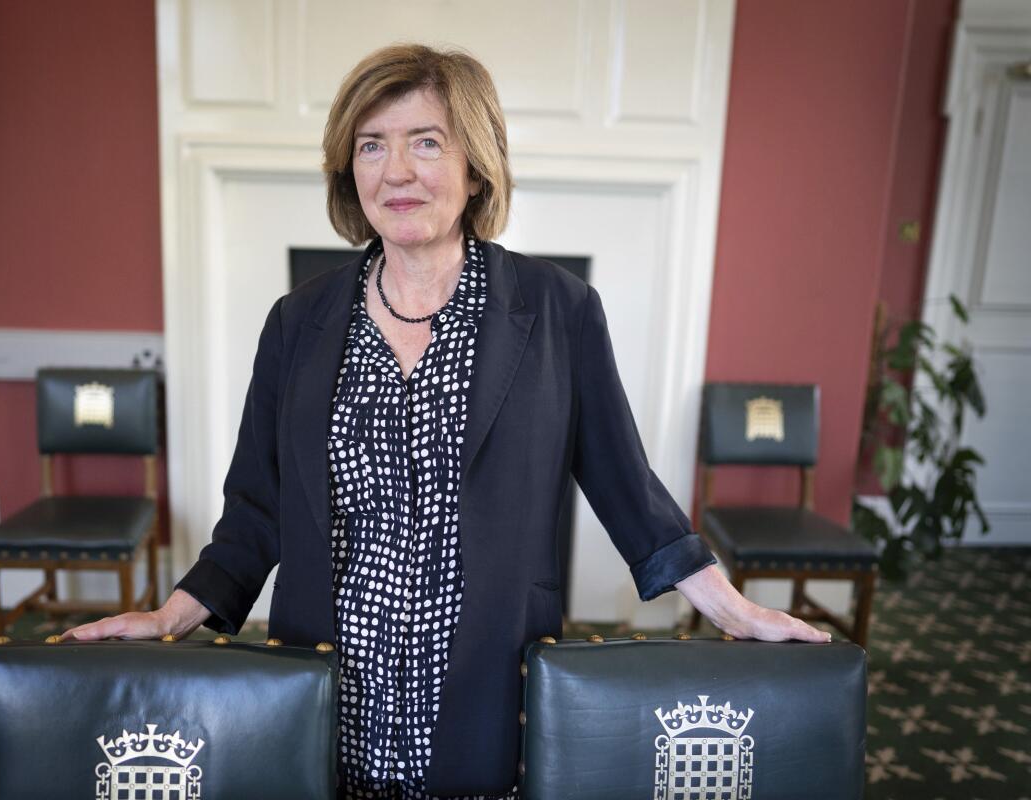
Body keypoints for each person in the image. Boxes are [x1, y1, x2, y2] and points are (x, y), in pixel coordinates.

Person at [63, 43, 829, 799]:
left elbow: (627, 487)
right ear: (348, 168)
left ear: (475, 165)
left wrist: (734, 610)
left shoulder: (557, 310)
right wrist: (170, 616)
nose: (396, 170)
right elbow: (256, 512)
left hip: (484, 683)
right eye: (372, 145)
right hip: (328, 683)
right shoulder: (298, 321)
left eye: (425, 142)